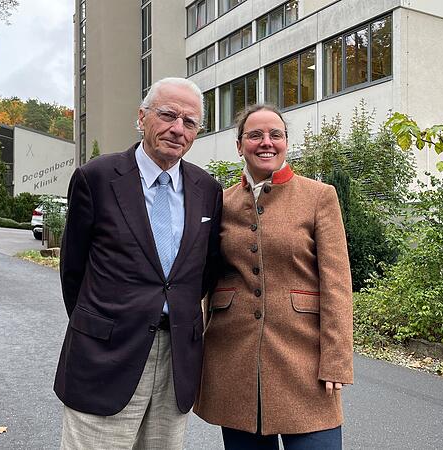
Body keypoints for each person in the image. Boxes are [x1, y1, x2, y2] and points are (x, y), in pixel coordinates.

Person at [54, 77, 223, 450]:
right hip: (106, 354)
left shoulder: (207, 190)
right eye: (168, 115)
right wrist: (101, 324)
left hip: (177, 353)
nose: (177, 129)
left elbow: (204, 271)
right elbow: (73, 271)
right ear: (143, 116)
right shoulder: (96, 178)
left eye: (190, 122)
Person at [194, 104, 353, 450]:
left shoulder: (318, 197)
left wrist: (337, 360)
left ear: (285, 142)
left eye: (275, 134)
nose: (266, 142)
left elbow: (337, 284)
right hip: (234, 361)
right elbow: (205, 278)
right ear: (239, 146)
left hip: (304, 359)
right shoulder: (221, 202)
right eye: (255, 135)